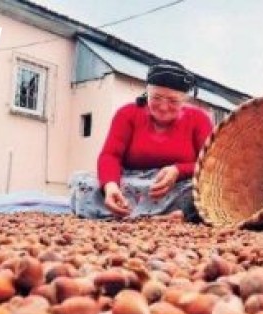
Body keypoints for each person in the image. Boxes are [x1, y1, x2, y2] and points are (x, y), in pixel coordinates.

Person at [69, 60, 213, 221]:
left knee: (206, 191)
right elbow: (110, 156)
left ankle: (178, 215)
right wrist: (110, 186)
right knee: (84, 184)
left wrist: (178, 170)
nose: (163, 107)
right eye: (156, 98)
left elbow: (209, 165)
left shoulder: (199, 119)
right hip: (131, 184)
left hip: (176, 187)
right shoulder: (127, 114)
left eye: (173, 101)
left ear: (185, 100)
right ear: (147, 93)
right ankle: (158, 216)